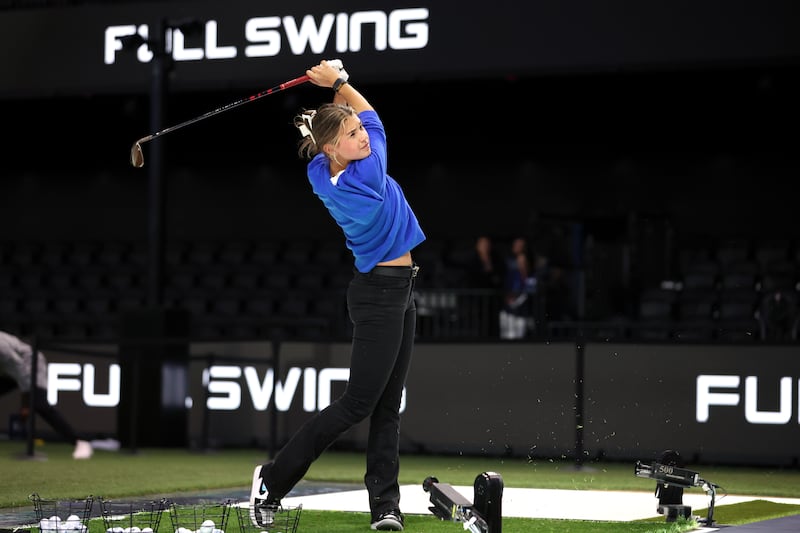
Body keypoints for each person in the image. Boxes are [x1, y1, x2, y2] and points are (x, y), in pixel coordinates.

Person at [248, 60, 425, 532]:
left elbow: (346, 122)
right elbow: (373, 117)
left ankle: (385, 506)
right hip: (381, 295)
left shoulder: (318, 170)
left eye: (357, 132)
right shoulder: (367, 174)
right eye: (352, 135)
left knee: (387, 405)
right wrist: (340, 81)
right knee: (358, 404)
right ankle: (271, 480)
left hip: (397, 289)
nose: (362, 137)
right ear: (334, 148)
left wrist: (331, 94)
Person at [0, 330, 93, 459]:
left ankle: (80, 441)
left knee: (40, 404)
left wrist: (26, 403)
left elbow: (20, 370)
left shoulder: (2, 348)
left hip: (30, 364)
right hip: (11, 371)